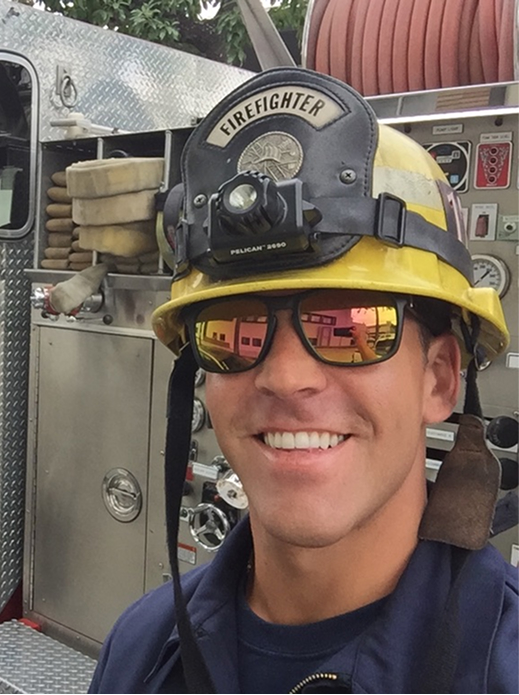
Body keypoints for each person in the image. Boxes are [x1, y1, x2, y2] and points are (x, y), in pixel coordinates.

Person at [89, 68, 518, 694]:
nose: (286, 378)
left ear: (440, 379)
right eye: (234, 331)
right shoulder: (141, 651)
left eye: (351, 326)